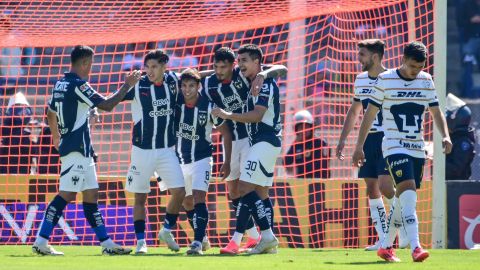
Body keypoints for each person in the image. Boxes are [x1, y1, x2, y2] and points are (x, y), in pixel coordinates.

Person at [32, 45, 141, 256]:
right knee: (66, 195)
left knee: (92, 195)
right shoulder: (80, 85)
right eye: (90, 63)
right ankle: (41, 239)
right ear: (83, 63)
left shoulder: (60, 84)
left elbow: (50, 111)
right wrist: (127, 85)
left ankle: (106, 243)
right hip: (77, 148)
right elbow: (108, 105)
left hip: (81, 149)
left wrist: (56, 137)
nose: (91, 67)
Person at [352, 41, 452, 262]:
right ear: (403, 60)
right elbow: (369, 115)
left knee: (401, 198)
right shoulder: (385, 80)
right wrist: (359, 146)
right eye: (413, 66)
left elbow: (436, 112)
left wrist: (445, 134)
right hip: (394, 146)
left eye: (420, 66)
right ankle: (416, 246)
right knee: (408, 192)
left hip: (417, 148)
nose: (417, 70)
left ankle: (386, 246)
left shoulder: (426, 81)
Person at [203, 46, 287, 251]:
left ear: (257, 62)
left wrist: (228, 114)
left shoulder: (262, 82)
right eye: (239, 61)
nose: (241, 65)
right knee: (258, 192)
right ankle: (266, 240)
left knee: (245, 189)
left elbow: (258, 114)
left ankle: (240, 239)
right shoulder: (243, 80)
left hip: (263, 140)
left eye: (244, 61)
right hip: (255, 140)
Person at [336, 39, 406, 251]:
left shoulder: (393, 78)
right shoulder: (360, 80)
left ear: (375, 57)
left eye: (362, 55)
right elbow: (355, 110)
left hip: (389, 138)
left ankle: (402, 228)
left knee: (386, 186)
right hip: (368, 139)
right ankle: (384, 239)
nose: (358, 59)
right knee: (372, 188)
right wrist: (342, 139)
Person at [122, 49, 186, 254]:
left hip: (167, 149)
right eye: (147, 67)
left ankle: (166, 230)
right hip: (142, 151)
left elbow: (197, 75)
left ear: (165, 66)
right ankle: (141, 242)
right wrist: (125, 85)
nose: (149, 71)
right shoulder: (138, 84)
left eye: (154, 67)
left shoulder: (174, 81)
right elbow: (111, 102)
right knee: (140, 198)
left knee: (180, 191)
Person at [175, 68, 232, 255]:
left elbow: (226, 133)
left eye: (191, 85)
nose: (187, 89)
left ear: (199, 86)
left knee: (199, 197)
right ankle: (204, 238)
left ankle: (197, 243)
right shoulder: (176, 103)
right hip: (180, 160)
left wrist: (227, 161)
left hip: (202, 158)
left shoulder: (209, 106)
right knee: (187, 202)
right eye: (184, 85)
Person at [285, 109, 330, 179]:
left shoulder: (320, 143)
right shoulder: (296, 145)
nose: (304, 130)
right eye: (300, 127)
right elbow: (286, 162)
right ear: (297, 130)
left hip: (320, 183)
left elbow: (323, 165)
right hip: (302, 183)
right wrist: (295, 144)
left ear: (311, 127)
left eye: (306, 126)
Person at [0, 92, 34, 174]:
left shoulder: (27, 135)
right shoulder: (3, 132)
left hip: (21, 179)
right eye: (18, 109)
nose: (21, 114)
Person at [445, 93, 475, 180]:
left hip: (455, 188)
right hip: (443, 185)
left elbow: (455, 170)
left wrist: (436, 162)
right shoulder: (451, 137)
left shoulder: (464, 143)